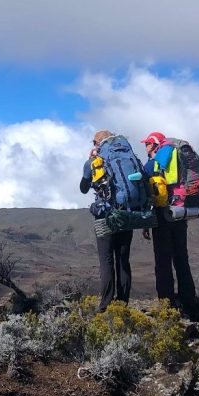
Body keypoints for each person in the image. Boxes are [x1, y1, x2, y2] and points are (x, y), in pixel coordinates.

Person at [140, 131, 199, 324]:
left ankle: (167, 305)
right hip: (181, 210)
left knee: (163, 261)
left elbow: (147, 174)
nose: (145, 147)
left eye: (147, 144)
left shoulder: (162, 153)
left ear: (154, 144)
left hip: (165, 211)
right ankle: (189, 301)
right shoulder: (178, 152)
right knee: (181, 258)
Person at [80, 129, 134, 312]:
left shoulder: (95, 161)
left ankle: (105, 304)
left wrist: (90, 163)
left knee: (106, 260)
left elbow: (83, 188)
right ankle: (123, 303)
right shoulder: (126, 155)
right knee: (123, 259)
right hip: (127, 213)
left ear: (97, 144)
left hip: (105, 216)